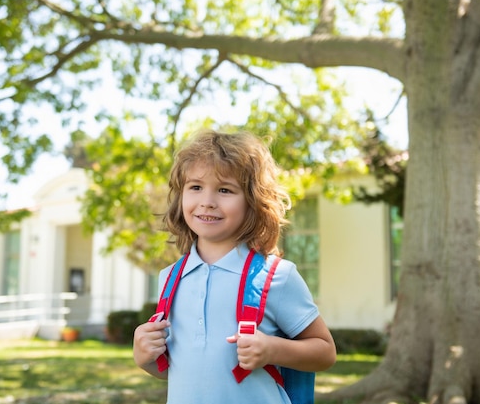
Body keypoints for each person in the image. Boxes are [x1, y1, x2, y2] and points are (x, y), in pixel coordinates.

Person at [133, 129, 336, 404]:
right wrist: (145, 358)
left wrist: (271, 349)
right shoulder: (169, 279)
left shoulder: (277, 277)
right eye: (195, 187)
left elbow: (325, 352)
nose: (207, 201)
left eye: (225, 190)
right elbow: (182, 372)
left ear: (253, 201)